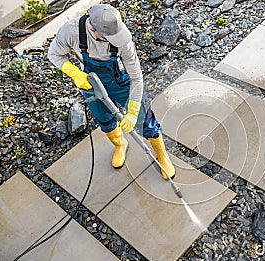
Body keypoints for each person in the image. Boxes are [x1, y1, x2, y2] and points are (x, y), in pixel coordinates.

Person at [48, 4, 175, 179]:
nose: (115, 41)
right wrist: (75, 73)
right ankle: (120, 144)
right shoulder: (71, 31)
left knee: (145, 119)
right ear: (92, 29)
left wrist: (132, 111)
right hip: (91, 83)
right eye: (109, 38)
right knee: (104, 120)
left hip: (121, 82)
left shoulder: (124, 42)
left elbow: (137, 78)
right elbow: (54, 54)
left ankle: (162, 156)